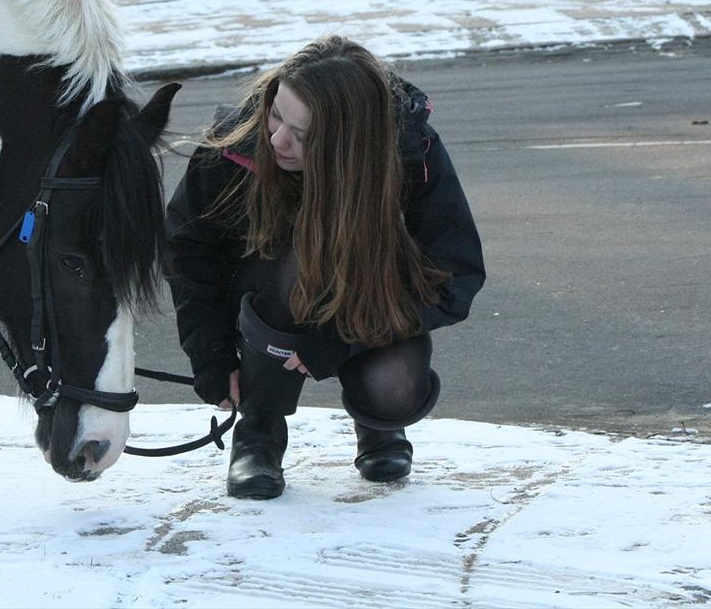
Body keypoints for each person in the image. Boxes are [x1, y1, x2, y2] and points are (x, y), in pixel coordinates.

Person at [166, 34, 485, 500]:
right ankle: (259, 431)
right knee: (294, 264)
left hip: (371, 306)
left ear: (352, 143)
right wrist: (209, 355)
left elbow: (454, 273)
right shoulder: (233, 148)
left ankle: (379, 427)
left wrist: (343, 342)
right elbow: (187, 252)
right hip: (266, 301)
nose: (276, 139)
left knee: (393, 387)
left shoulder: (410, 153)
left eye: (303, 134)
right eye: (276, 114)